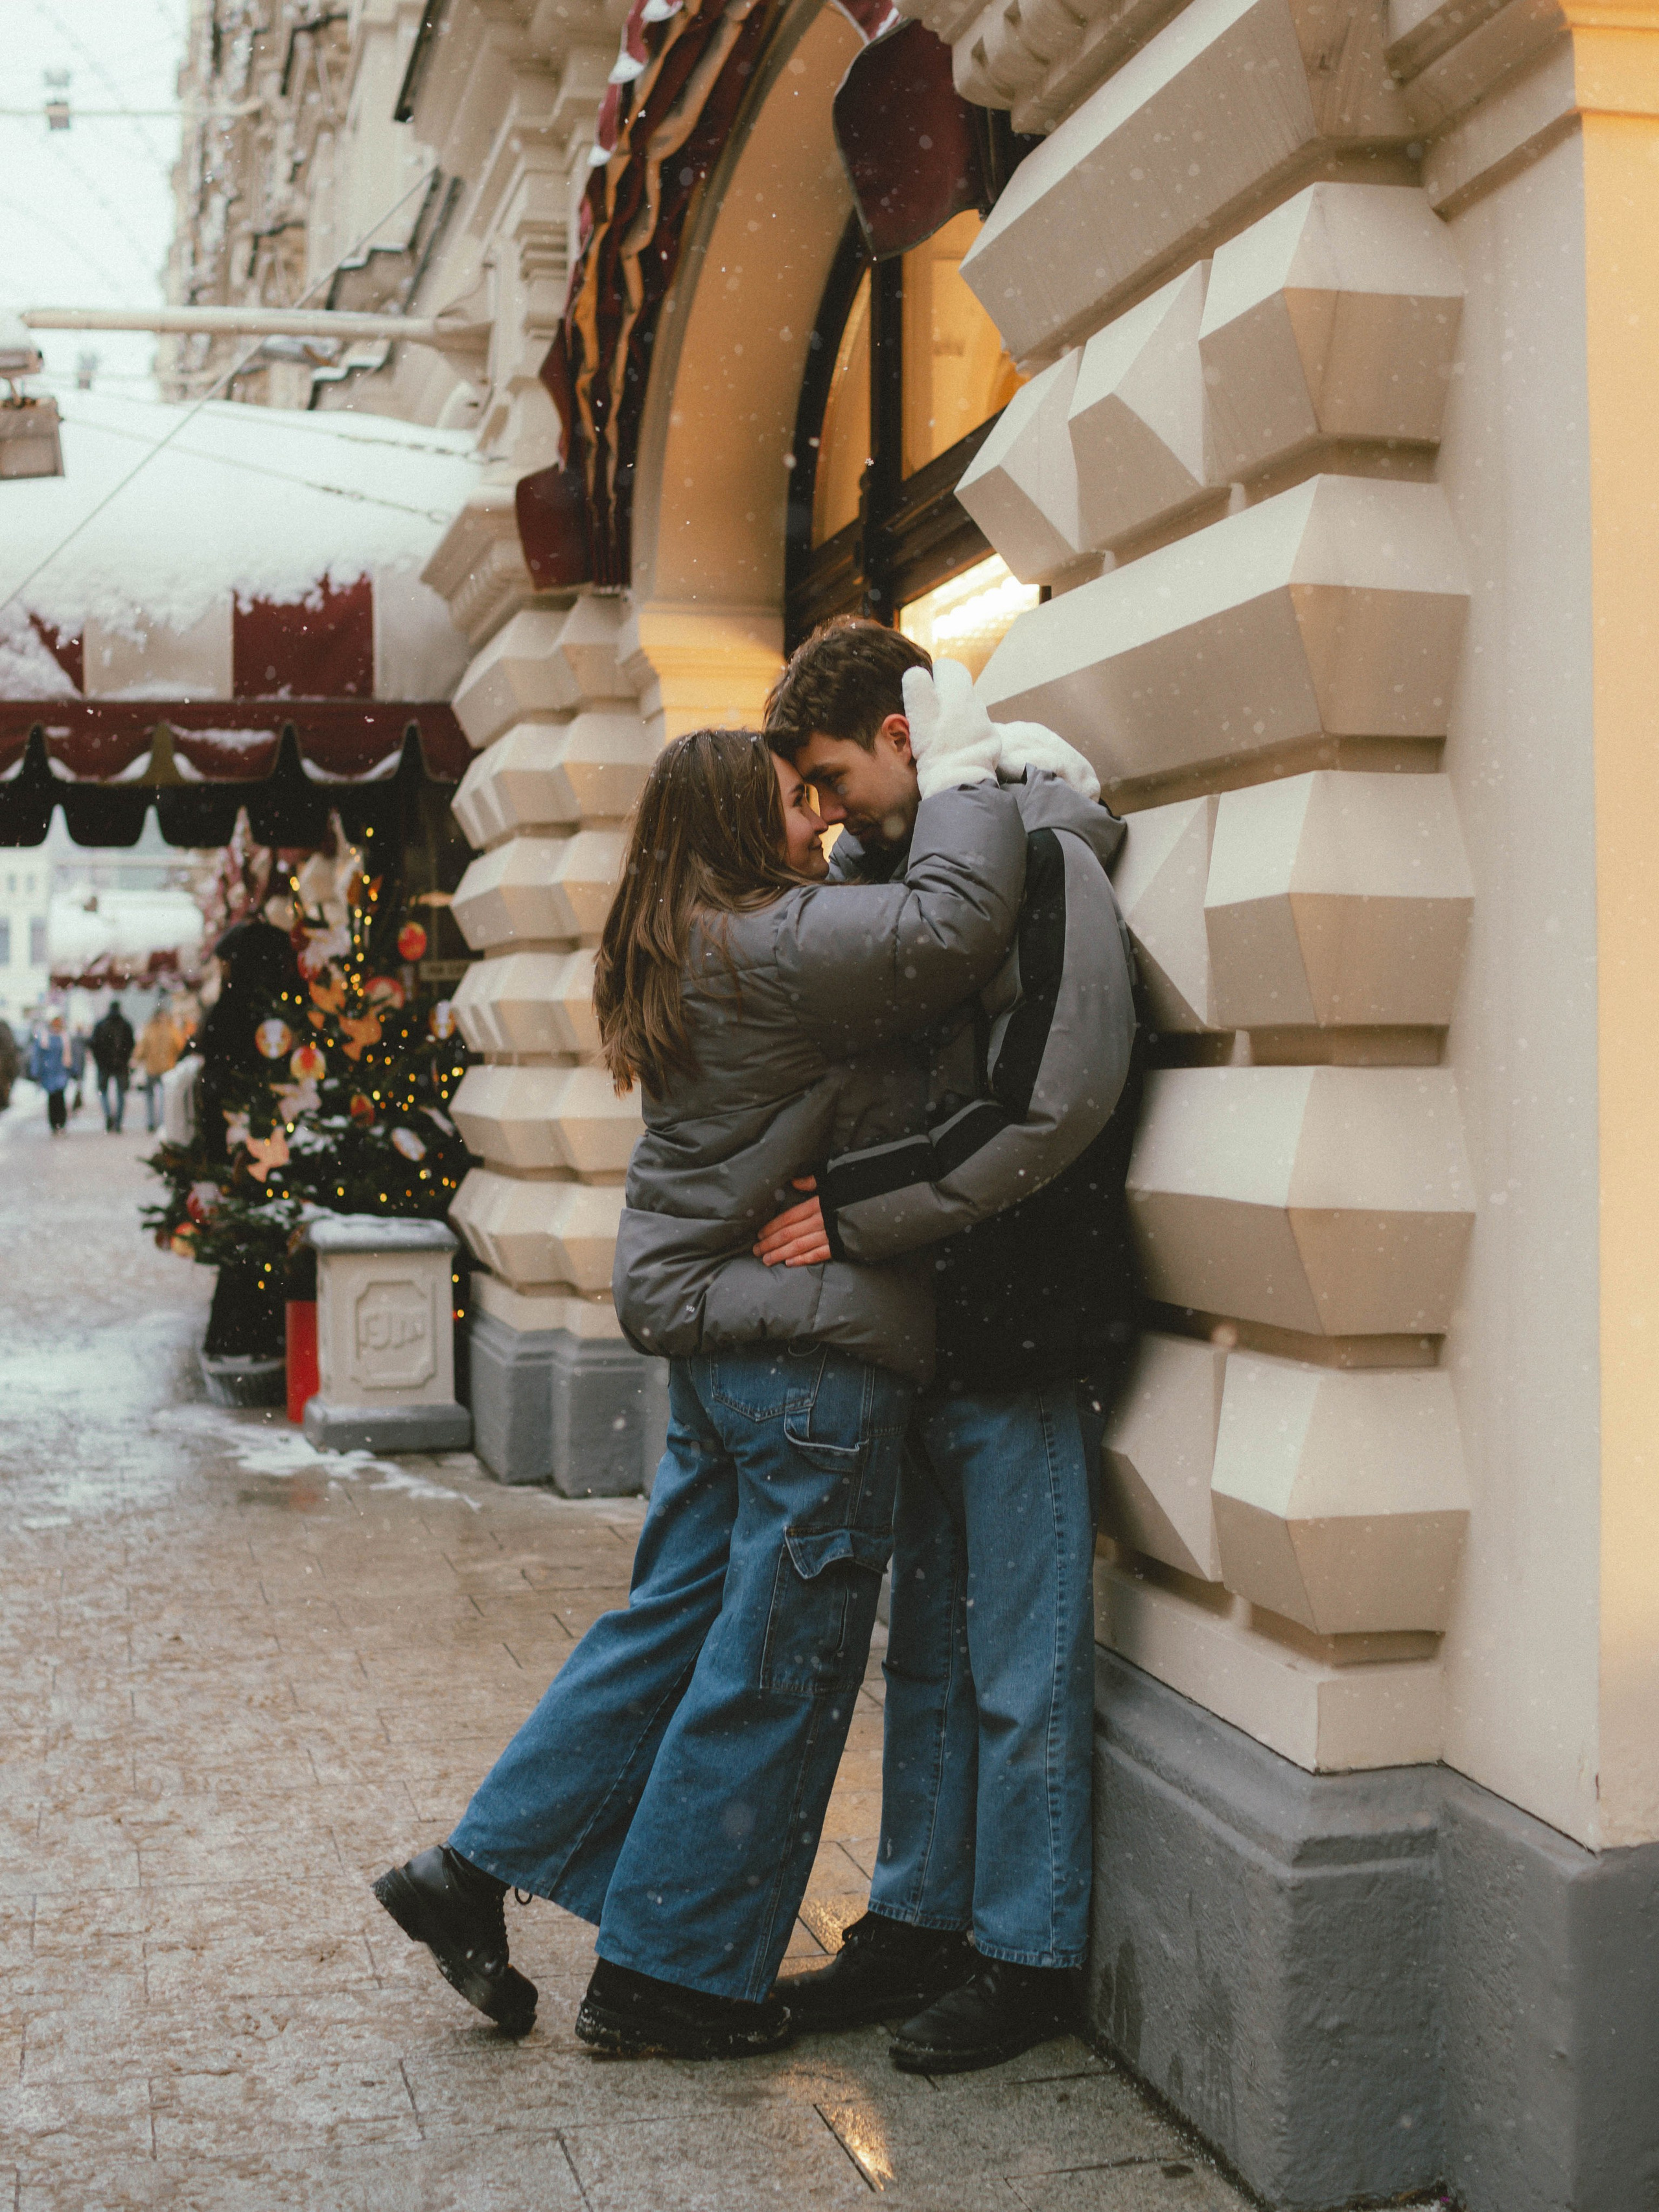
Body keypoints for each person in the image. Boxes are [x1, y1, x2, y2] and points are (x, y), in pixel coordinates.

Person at [373, 721, 1030, 2058]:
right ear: (736, 827)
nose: (819, 826)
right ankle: (671, 1975)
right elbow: (954, 926)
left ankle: (471, 1869)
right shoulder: (771, 941)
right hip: (803, 1361)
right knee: (775, 1670)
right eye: (795, 804)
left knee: (672, 1622)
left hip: (728, 1358)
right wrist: (964, 770)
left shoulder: (683, 935)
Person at [761, 620, 1143, 2075]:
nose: (823, 810)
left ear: (905, 735)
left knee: (1021, 1653)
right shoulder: (899, 891)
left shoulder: (1049, 863)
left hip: (1020, 1316)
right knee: (924, 1651)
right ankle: (916, 1919)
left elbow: (1055, 1098)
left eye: (830, 774)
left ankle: (1028, 1948)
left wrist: (851, 1212)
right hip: (921, 1325)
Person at [134, 1002, 181, 1133]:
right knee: (164, 1096)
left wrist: (136, 1060)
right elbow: (179, 1046)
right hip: (168, 1068)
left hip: (152, 1068)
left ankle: (151, 1121)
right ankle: (162, 1122)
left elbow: (142, 1048)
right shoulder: (172, 1028)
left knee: (150, 1096)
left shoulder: (149, 1029)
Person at [91, 999, 135, 1134]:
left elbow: (94, 1044)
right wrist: (124, 1058)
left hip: (104, 1065)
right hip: (121, 1065)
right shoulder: (126, 1024)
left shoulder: (101, 1024)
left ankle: (108, 1114)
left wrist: (100, 1060)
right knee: (121, 1093)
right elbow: (131, 1044)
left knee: (103, 1091)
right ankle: (118, 1122)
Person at [28, 1016, 72, 1135]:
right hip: (48, 1073)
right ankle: (54, 1124)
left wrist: (73, 1071)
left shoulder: (65, 1037)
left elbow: (70, 1055)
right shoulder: (43, 1037)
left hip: (61, 1072)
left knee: (60, 1097)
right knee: (52, 1098)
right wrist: (36, 1072)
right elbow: (37, 1056)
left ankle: (61, 1123)